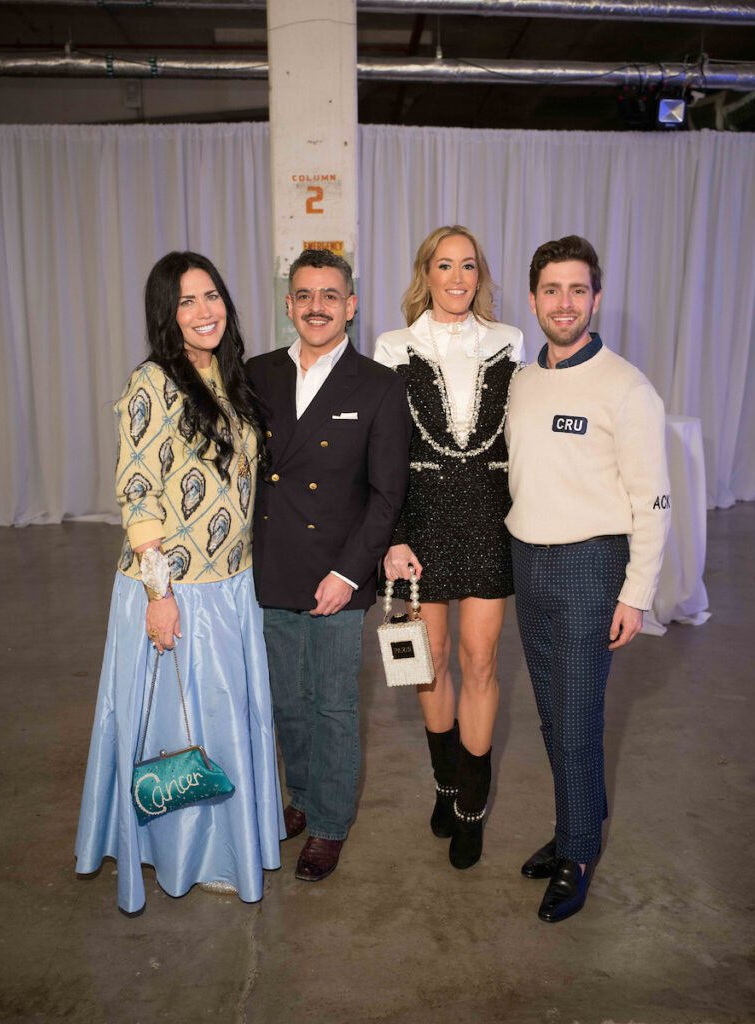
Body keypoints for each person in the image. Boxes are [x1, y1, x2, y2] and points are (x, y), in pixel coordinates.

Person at [75, 251, 283, 912]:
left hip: (233, 585)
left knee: (225, 719)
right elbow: (137, 491)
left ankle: (227, 841)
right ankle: (185, 852)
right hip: (178, 590)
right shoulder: (153, 383)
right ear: (167, 314)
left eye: (211, 296)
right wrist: (159, 594)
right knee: (180, 725)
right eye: (187, 301)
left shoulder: (232, 378)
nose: (204, 311)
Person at [506, 235, 671, 922]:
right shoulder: (521, 379)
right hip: (528, 559)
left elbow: (654, 498)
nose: (564, 303)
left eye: (577, 290)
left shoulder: (627, 388)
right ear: (536, 298)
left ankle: (578, 853)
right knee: (552, 713)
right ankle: (580, 822)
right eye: (552, 290)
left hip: (590, 567)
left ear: (596, 298)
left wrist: (636, 593)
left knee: (578, 721)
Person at [246, 248, 411, 883]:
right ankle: (302, 799)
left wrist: (349, 575)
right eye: (305, 295)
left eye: (330, 295)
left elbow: (388, 493)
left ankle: (330, 825)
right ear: (289, 304)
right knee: (288, 698)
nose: (317, 306)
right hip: (270, 564)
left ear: (351, 304)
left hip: (338, 572)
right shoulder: (255, 373)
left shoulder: (377, 384)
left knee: (335, 704)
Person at [373, 225, 523, 870]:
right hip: (421, 519)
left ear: (479, 275)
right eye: (444, 265)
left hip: (490, 517)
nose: (457, 277)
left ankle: (470, 806)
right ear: (425, 274)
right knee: (425, 662)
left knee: (480, 662)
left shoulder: (510, 341)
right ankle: (444, 781)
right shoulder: (392, 345)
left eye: (468, 266)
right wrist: (391, 533)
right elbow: (384, 449)